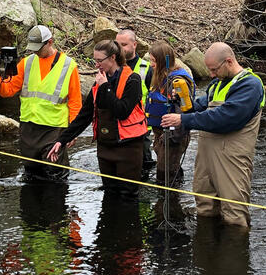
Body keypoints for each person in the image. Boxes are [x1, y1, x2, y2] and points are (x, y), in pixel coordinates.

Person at [160, 42, 266, 228]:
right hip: (207, 157)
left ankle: (233, 254)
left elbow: (225, 118)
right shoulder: (217, 83)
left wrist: (183, 120)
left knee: (234, 213)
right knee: (205, 204)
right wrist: (181, 101)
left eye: (214, 69)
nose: (211, 74)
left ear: (229, 61)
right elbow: (199, 106)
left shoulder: (250, 84)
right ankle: (206, 251)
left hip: (232, 159)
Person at [51, 40, 148, 193]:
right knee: (109, 193)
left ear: (113, 58)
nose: (96, 65)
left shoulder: (133, 79)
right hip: (105, 148)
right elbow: (85, 115)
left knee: (127, 196)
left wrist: (105, 87)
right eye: (94, 60)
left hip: (128, 148)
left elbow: (121, 112)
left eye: (99, 60)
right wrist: (62, 140)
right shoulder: (99, 81)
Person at [0, 25, 81, 183]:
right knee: (31, 173)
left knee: (56, 174)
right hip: (29, 128)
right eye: (33, 48)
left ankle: (56, 205)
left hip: (55, 129)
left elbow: (75, 102)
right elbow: (7, 91)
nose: (35, 51)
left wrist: (72, 132)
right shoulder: (26, 63)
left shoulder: (68, 66)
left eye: (38, 48)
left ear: (49, 42)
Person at [144, 41, 195, 184]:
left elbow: (185, 111)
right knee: (169, 171)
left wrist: (173, 137)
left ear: (163, 60)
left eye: (154, 61)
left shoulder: (178, 81)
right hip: (160, 133)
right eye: (150, 60)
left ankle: (170, 203)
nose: (151, 64)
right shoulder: (159, 77)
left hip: (172, 135)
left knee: (164, 176)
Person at [116, 29, 156, 174]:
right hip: (118, 124)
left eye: (124, 44)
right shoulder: (112, 67)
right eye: (117, 44)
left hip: (140, 127)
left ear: (135, 45)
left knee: (144, 165)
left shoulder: (146, 69)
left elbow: (156, 97)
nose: (120, 48)